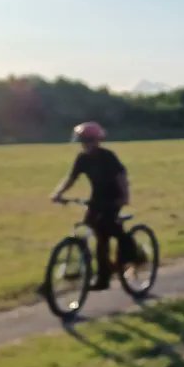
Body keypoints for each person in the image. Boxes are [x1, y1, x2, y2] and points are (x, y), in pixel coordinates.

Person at [51, 121, 137, 290]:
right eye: (83, 141)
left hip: (114, 198)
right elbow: (71, 177)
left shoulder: (108, 156)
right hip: (97, 198)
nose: (86, 145)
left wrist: (125, 196)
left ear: (97, 141)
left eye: (89, 141)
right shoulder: (82, 158)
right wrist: (58, 193)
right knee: (94, 231)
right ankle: (103, 278)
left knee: (107, 228)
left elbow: (121, 176)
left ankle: (131, 256)